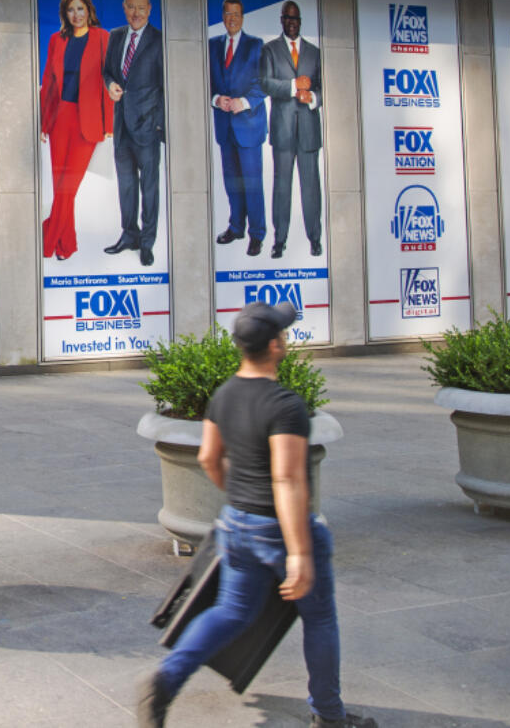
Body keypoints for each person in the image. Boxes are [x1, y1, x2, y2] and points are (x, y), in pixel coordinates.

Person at [138, 301, 375, 728]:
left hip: (236, 524)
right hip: (281, 530)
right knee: (319, 618)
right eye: (283, 335)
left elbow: (210, 456)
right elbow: (286, 480)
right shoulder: (286, 405)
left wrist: (240, 498)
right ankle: (329, 715)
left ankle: (166, 680)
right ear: (275, 345)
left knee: (231, 612)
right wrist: (299, 553)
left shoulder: (224, 394)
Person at [40, 0, 112, 261]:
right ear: (65, 13)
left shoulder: (102, 38)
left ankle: (49, 238)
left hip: (89, 120)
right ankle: (67, 245)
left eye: (80, 8)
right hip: (60, 117)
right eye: (71, 9)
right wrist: (43, 122)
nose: (76, 14)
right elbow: (48, 81)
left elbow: (108, 80)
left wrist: (109, 123)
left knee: (69, 186)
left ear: (88, 10)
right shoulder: (56, 40)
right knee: (60, 184)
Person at [101, 0, 164, 268]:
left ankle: (147, 243)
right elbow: (108, 72)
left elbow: (166, 86)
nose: (136, 13)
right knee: (126, 185)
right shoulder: (115, 36)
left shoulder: (160, 40)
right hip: (122, 126)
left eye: (141, 7)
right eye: (131, 7)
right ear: (124, 8)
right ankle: (130, 235)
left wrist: (160, 126)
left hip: (148, 126)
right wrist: (110, 84)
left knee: (148, 187)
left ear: (149, 9)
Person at [259, 0, 323, 260]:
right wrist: (294, 86)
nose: (292, 24)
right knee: (282, 188)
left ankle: (315, 239)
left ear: (300, 22)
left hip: (309, 130)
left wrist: (314, 98)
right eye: (288, 19)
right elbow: (265, 84)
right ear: (282, 20)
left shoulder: (315, 52)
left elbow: (322, 86)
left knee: (311, 188)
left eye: (296, 20)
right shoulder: (270, 50)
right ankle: (279, 240)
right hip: (283, 131)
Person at [210, 0, 268, 257]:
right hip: (225, 127)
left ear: (242, 18)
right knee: (232, 182)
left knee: (252, 183)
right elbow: (207, 81)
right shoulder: (212, 46)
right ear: (223, 17)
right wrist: (216, 99)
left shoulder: (256, 46)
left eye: (236, 14)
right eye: (227, 14)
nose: (232, 19)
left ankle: (257, 235)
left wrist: (242, 102)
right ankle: (236, 227)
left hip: (249, 126)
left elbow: (264, 84)